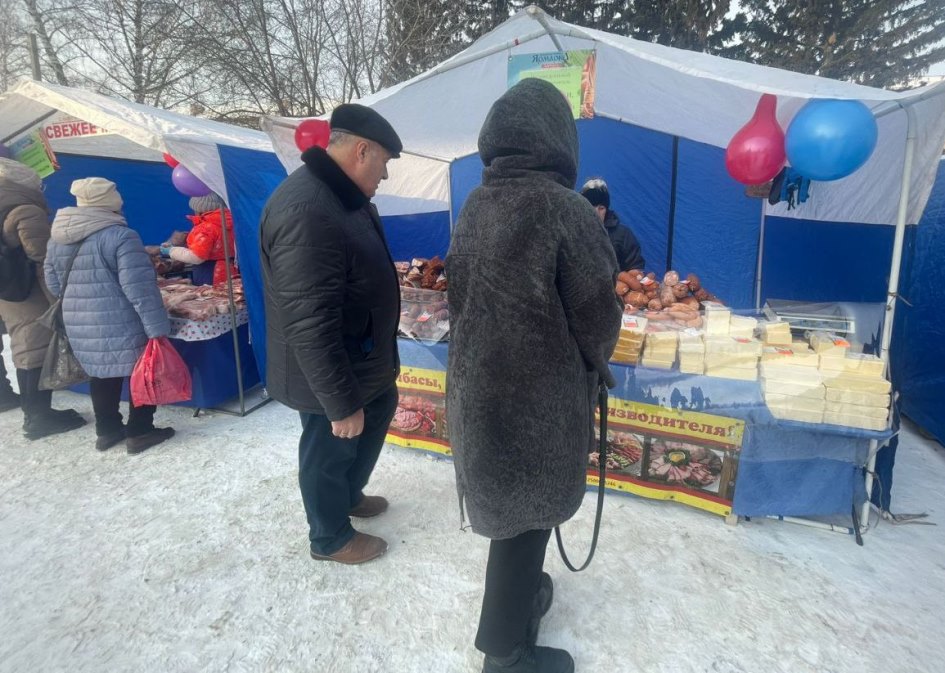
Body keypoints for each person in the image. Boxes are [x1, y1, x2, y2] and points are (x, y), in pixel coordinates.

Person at [446, 79, 623, 672]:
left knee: (516, 512)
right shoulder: (566, 210)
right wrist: (596, 363)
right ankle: (504, 654)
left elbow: (458, 298)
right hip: (537, 402)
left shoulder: (476, 203)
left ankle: (521, 602)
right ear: (558, 140)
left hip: (478, 391)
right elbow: (598, 312)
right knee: (524, 518)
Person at [259, 104, 403, 566]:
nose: (384, 175)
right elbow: (309, 318)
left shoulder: (342, 196)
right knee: (329, 446)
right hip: (328, 370)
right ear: (362, 151)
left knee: (379, 408)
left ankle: (348, 495)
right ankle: (330, 536)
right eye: (384, 163)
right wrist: (339, 402)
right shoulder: (308, 209)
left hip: (362, 357)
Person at [45, 178, 174, 454]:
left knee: (101, 374)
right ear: (110, 201)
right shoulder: (120, 236)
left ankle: (107, 431)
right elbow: (139, 289)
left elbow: (53, 283)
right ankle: (140, 430)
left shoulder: (56, 237)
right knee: (141, 373)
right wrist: (157, 328)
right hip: (122, 319)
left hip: (79, 323)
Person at [0, 158, 85, 438]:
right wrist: (59, 296)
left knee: (24, 345)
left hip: (9, 289)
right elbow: (41, 257)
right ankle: (38, 416)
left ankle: (34, 411)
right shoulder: (25, 209)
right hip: (29, 291)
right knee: (33, 348)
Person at [161, 193, 239, 286]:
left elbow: (197, 257)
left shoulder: (205, 228)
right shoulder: (233, 222)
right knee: (229, 297)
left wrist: (171, 251)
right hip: (231, 269)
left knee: (211, 297)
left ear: (200, 209)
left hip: (211, 273)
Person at [580, 177, 646, 272]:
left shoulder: (623, 235)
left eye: (601, 208)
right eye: (591, 207)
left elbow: (635, 266)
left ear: (606, 210)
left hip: (617, 286)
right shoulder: (572, 232)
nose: (596, 213)